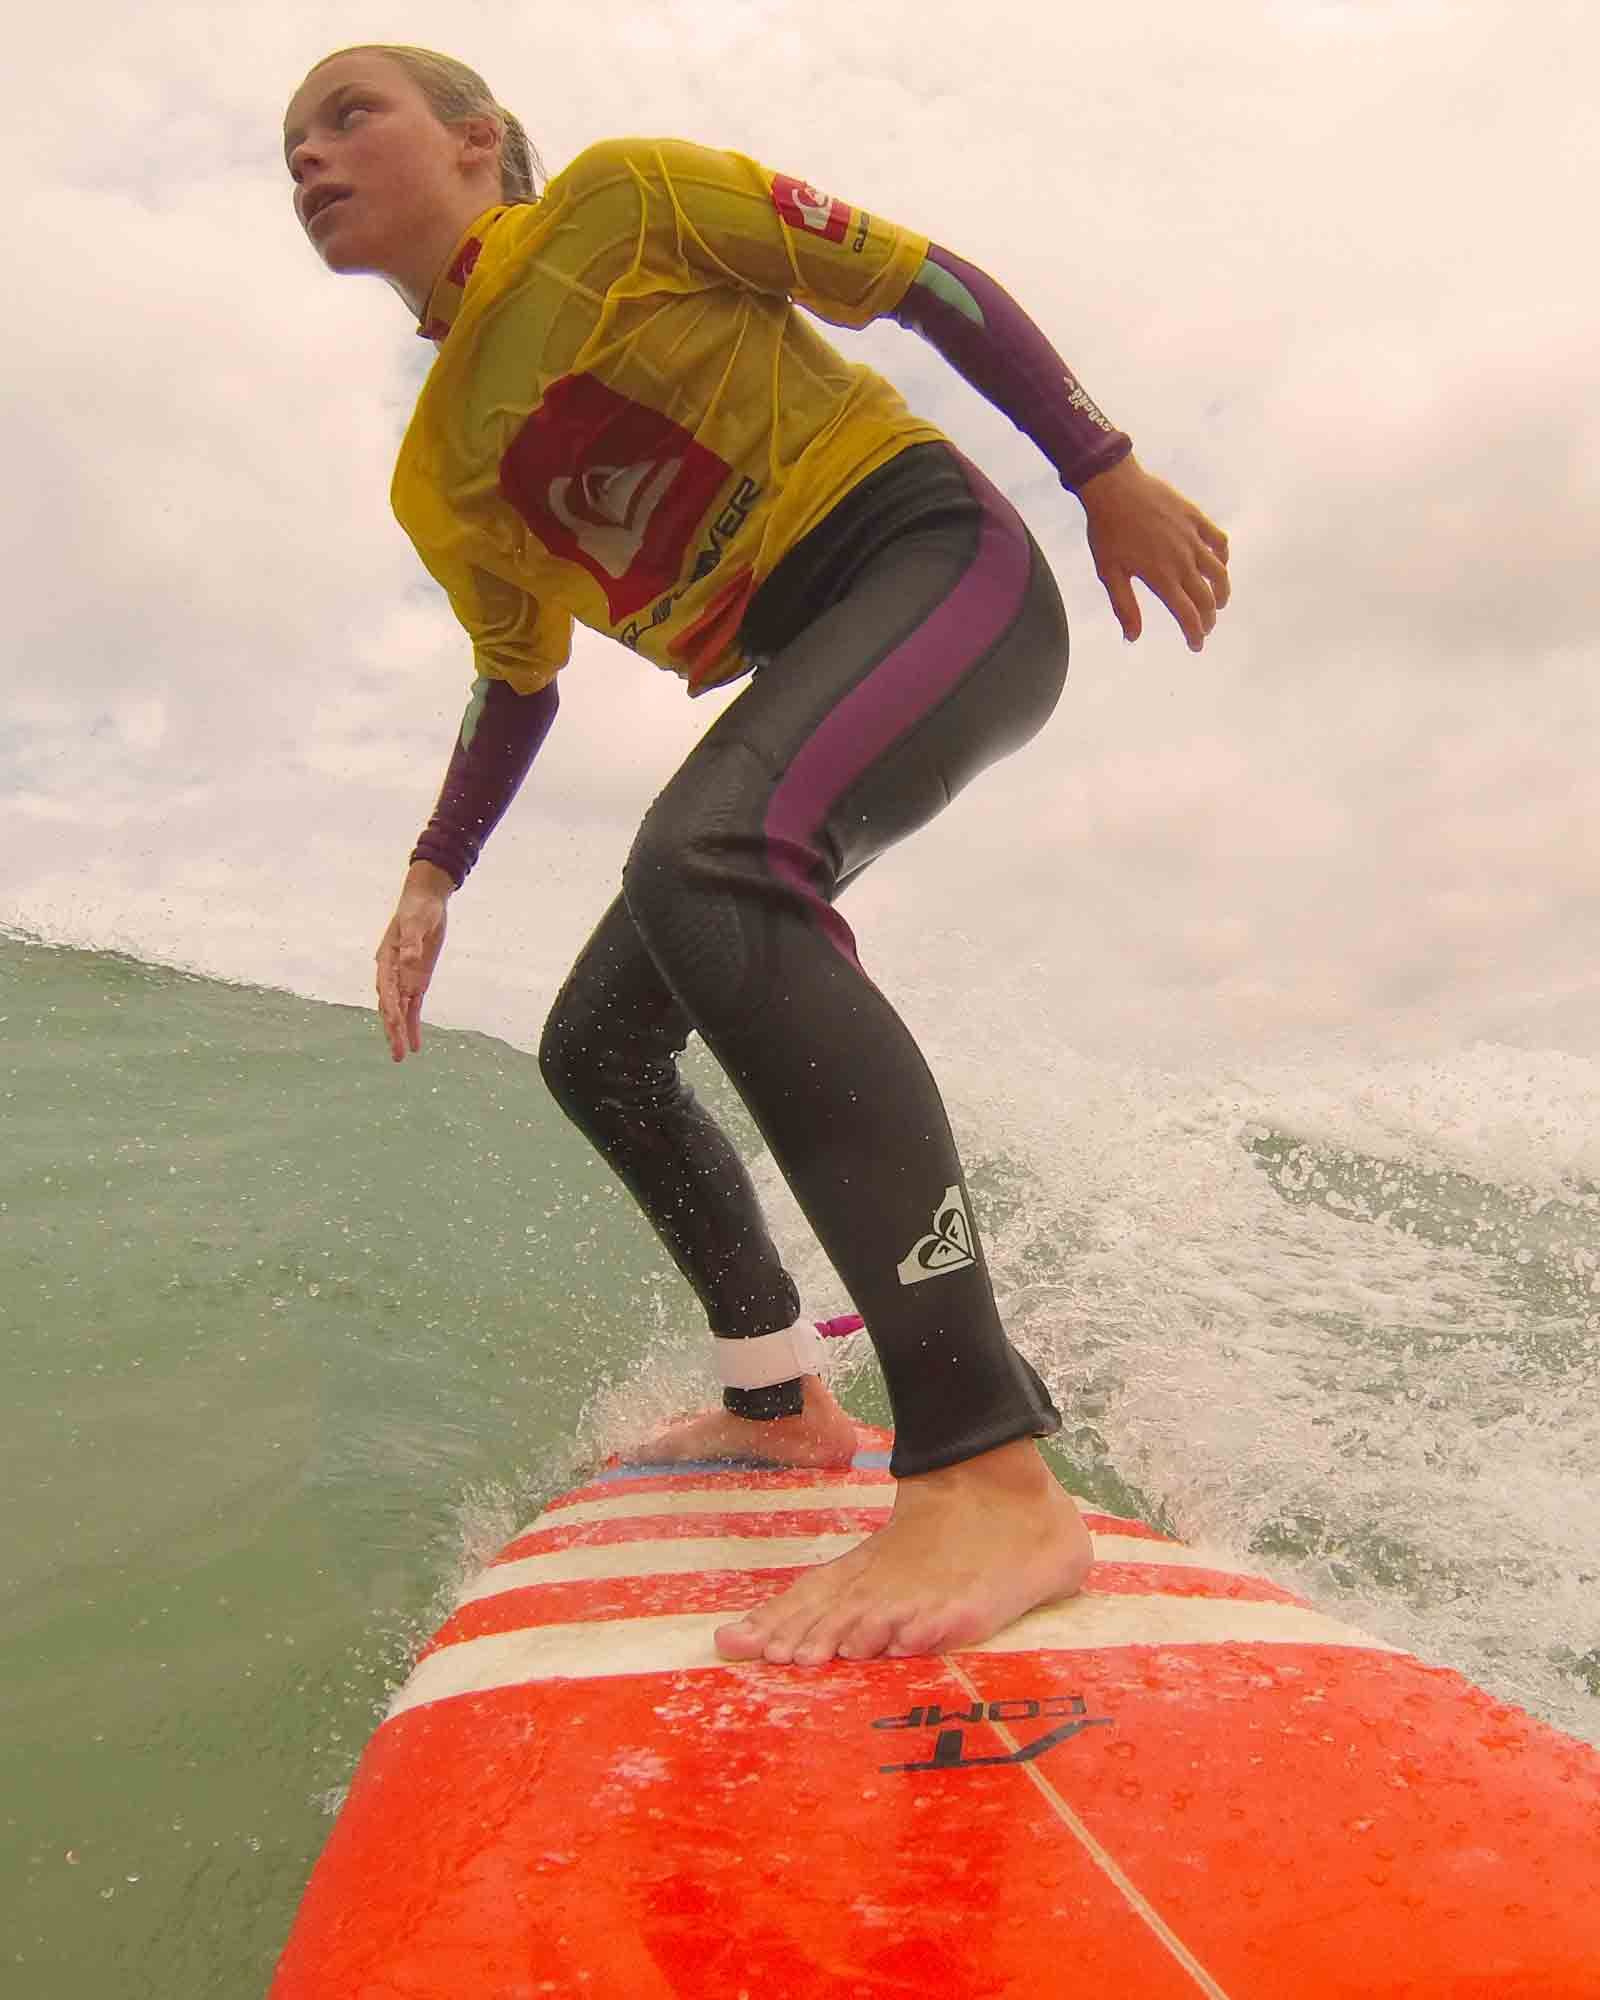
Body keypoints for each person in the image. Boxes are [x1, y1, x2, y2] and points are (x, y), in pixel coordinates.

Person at [282, 44, 1230, 1668]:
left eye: (345, 114)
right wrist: (433, 871)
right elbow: (519, 681)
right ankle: (778, 1392)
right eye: (286, 146)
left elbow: (920, 282)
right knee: (598, 1045)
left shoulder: (628, 199)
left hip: (935, 564)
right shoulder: (433, 469)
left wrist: (1102, 465)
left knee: (707, 857)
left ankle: (987, 1462)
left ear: (477, 136)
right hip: (804, 651)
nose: (307, 156)